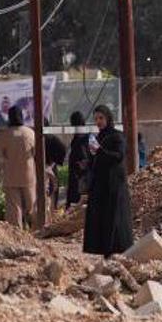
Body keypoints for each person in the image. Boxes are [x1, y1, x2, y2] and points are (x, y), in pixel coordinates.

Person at [83, 105, 134, 257]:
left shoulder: (117, 136)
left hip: (114, 185)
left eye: (101, 118)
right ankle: (104, 250)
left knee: (114, 217)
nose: (98, 121)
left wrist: (100, 151)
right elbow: (97, 158)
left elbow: (118, 156)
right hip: (100, 185)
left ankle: (118, 249)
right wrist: (88, 161)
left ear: (108, 118)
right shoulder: (98, 137)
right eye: (96, 119)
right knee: (101, 217)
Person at [0, 106, 36, 229]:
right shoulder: (30, 133)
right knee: (32, 205)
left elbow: (1, 155)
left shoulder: (4, 135)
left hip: (11, 175)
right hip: (28, 174)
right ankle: (36, 230)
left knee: (14, 208)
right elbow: (35, 153)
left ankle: (17, 234)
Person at [65, 111, 91, 209]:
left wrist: (80, 169)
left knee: (77, 204)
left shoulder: (79, 138)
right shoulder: (89, 135)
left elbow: (81, 157)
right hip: (87, 175)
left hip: (78, 177)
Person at [43, 120, 67, 211]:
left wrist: (50, 165)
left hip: (45, 169)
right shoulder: (52, 138)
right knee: (52, 192)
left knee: (48, 192)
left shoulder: (40, 138)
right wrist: (54, 163)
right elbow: (63, 149)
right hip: (51, 168)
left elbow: (62, 149)